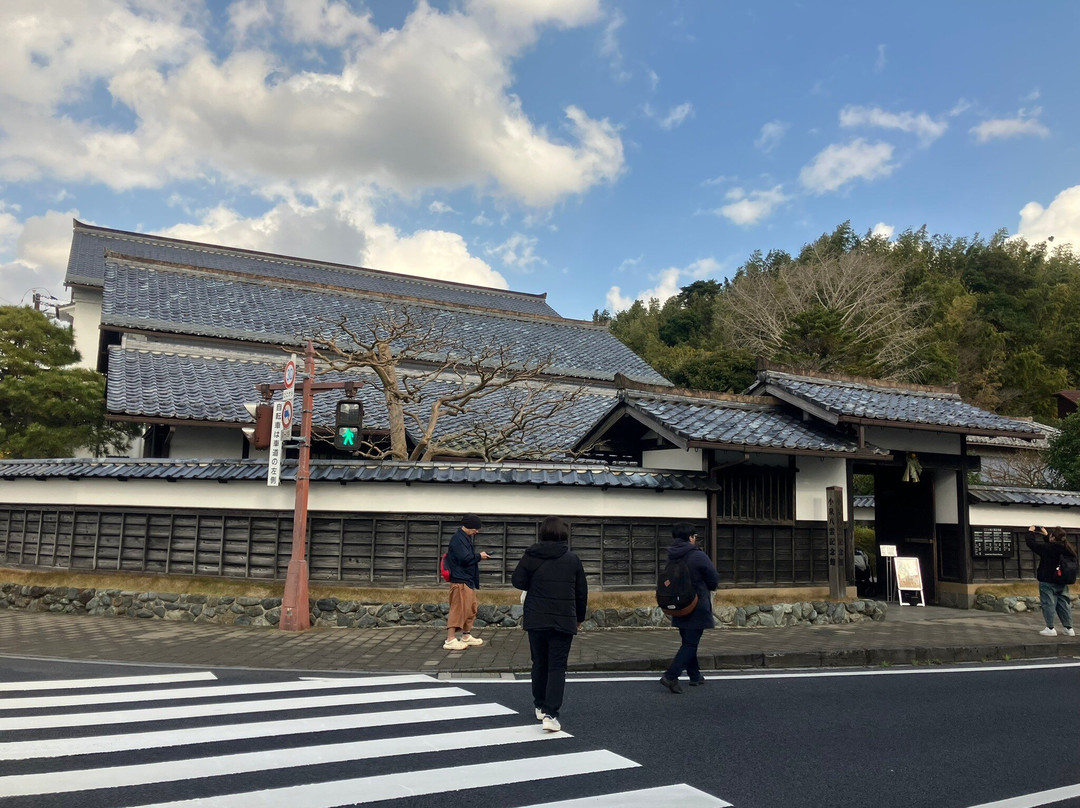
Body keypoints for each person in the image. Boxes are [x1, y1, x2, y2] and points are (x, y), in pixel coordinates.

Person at [512, 515, 588, 733]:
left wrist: (534, 582)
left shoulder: (531, 555)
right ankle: (550, 714)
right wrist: (579, 618)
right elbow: (581, 592)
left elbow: (517, 580)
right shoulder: (572, 559)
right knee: (557, 666)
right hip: (563, 619)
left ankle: (539, 705)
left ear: (542, 533)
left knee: (539, 663)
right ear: (564, 534)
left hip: (536, 618)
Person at [660, 522, 719, 694]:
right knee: (690, 644)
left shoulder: (672, 556)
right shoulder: (697, 555)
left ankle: (695, 675)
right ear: (691, 537)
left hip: (678, 605)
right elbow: (713, 578)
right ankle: (670, 676)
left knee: (688, 641)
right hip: (696, 604)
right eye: (694, 536)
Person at [443, 513, 491, 650]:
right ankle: (450, 639)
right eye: (475, 528)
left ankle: (466, 635)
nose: (477, 531)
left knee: (471, 608)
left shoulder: (465, 538)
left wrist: (478, 556)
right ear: (469, 526)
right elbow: (465, 558)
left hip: (467, 579)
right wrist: (479, 556)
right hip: (460, 580)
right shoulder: (458, 539)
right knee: (458, 609)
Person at [1026, 525, 1076, 637]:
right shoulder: (1068, 548)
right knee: (1064, 604)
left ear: (1053, 537)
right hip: (1063, 580)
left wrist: (1030, 532)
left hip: (1048, 580)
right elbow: (1052, 546)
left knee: (1048, 603)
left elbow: (1032, 544)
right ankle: (1069, 628)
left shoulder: (1048, 548)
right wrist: (1046, 535)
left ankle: (1050, 628)